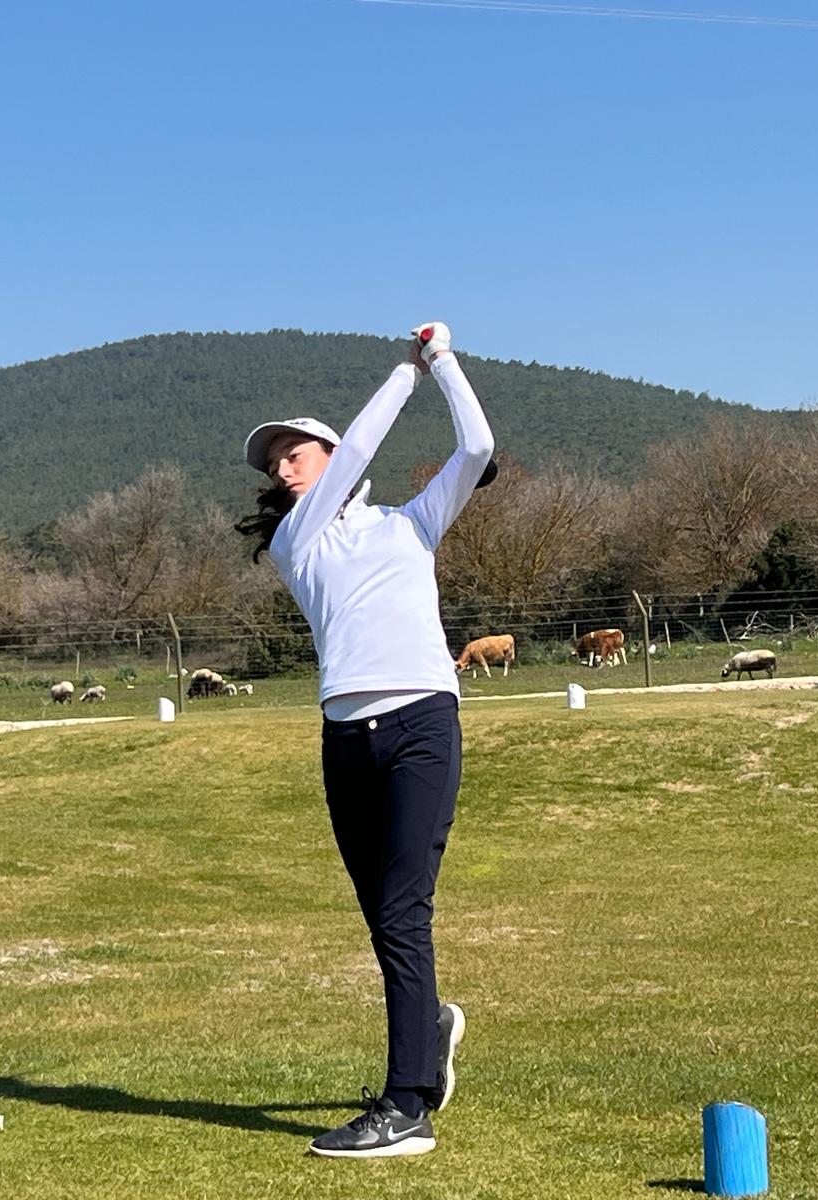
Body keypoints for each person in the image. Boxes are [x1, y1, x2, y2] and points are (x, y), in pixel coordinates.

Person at [237, 322, 494, 1159]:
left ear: (330, 451)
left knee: (403, 911)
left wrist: (435, 363)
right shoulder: (297, 539)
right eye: (274, 464)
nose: (282, 469)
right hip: (346, 741)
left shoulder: (411, 523)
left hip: (422, 725)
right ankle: (426, 1035)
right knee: (386, 922)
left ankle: (406, 1108)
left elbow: (478, 447)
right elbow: (352, 459)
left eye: (294, 453)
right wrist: (405, 373)